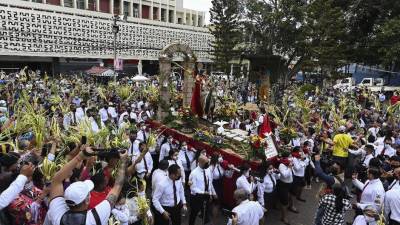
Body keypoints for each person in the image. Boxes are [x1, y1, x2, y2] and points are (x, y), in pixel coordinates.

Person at [44, 147, 129, 225]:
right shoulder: (94, 218)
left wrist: (80, 156)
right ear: (87, 201)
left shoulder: (57, 215)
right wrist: (123, 161)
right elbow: (117, 186)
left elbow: (56, 180)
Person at [188, 155, 217, 225]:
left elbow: (209, 183)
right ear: (200, 162)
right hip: (196, 197)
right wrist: (203, 192)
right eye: (206, 163)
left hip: (206, 196)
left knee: (205, 214)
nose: (208, 164)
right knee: (193, 214)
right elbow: (193, 188)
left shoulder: (207, 170)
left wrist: (210, 194)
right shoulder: (194, 173)